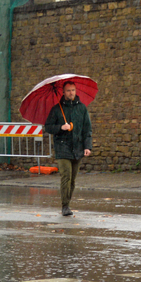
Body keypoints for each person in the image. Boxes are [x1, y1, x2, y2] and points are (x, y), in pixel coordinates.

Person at [43, 81, 92, 216]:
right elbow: (48, 126)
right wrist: (60, 127)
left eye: (73, 90)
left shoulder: (82, 108)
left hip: (77, 148)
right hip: (62, 147)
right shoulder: (56, 109)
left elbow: (87, 129)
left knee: (73, 179)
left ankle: (68, 202)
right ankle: (65, 206)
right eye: (68, 90)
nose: (71, 93)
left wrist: (87, 146)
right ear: (63, 92)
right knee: (66, 176)